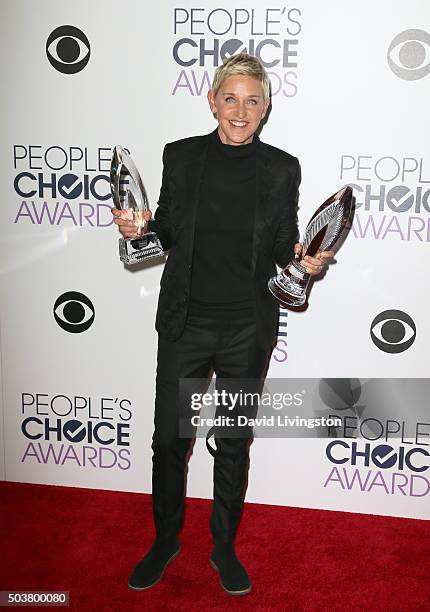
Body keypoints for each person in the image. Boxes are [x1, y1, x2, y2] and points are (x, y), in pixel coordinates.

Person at [112, 53, 333, 596]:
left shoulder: (283, 168)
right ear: (212, 101)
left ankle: (223, 548)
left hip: (245, 330)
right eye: (230, 98)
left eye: (252, 101)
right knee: (171, 440)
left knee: (233, 441)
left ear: (265, 109)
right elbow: (160, 234)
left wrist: (305, 262)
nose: (240, 110)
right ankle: (165, 541)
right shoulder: (181, 157)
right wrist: (134, 232)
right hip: (186, 324)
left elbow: (283, 245)